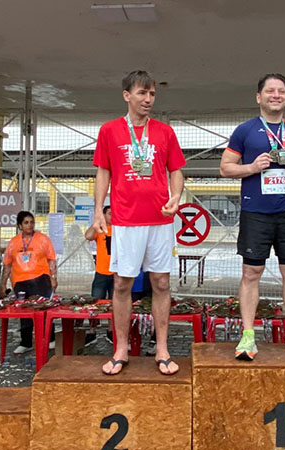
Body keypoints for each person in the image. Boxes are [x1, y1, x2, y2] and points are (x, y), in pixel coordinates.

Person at [219, 73, 285, 361]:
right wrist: (251, 168)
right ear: (259, 97)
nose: (276, 95)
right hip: (255, 212)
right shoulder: (245, 131)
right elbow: (225, 168)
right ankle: (248, 335)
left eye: (281, 91)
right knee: (251, 273)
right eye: (270, 91)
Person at [92, 70, 185, 376]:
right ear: (127, 95)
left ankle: (162, 348)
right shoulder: (109, 130)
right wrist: (98, 211)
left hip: (160, 219)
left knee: (161, 283)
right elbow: (103, 171)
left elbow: (176, 170)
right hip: (125, 219)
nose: (148, 99)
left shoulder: (165, 132)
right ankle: (121, 349)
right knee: (122, 284)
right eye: (142, 93)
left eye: (152, 94)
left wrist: (176, 196)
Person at [0, 211, 58, 354]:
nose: (29, 225)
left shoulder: (43, 239)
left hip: (41, 279)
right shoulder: (13, 242)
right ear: (20, 225)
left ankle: (50, 339)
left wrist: (53, 278)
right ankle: (26, 342)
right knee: (24, 312)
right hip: (19, 281)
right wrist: (3, 285)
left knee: (43, 309)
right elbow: (7, 265)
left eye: (32, 222)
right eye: (26, 223)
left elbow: (52, 260)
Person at [84, 205, 114, 345]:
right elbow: (88, 236)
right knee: (95, 302)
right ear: (104, 215)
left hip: (116, 273)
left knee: (114, 304)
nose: (112, 216)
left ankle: (111, 331)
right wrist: (97, 222)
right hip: (101, 272)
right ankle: (92, 331)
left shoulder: (119, 229)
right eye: (109, 213)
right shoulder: (100, 229)